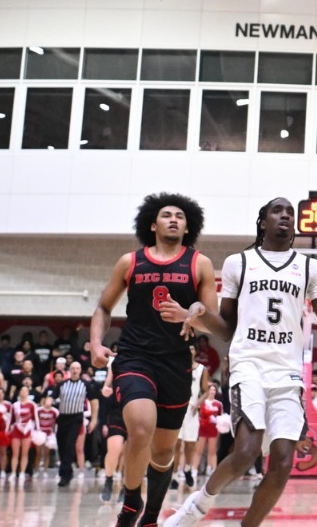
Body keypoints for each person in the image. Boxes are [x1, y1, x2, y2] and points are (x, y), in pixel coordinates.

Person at [166, 198, 317, 527]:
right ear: (262, 222)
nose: (285, 216)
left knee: (282, 463)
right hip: (248, 363)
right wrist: (201, 315)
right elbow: (227, 326)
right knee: (246, 451)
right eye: (278, 211)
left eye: (290, 213)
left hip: (288, 372)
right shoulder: (240, 262)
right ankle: (198, 505)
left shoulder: (309, 267)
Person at [92, 193, 216, 527]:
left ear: (188, 226)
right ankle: (132, 501)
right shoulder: (130, 262)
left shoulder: (199, 263)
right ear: (152, 223)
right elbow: (104, 307)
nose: (173, 219)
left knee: (164, 452)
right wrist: (95, 342)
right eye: (166, 215)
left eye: (179, 216)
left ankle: (150, 516)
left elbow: (213, 321)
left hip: (176, 364)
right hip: (135, 356)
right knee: (141, 427)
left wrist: (188, 316)